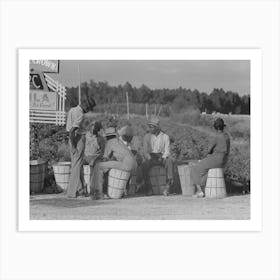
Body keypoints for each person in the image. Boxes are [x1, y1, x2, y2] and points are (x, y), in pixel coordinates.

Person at [91, 127, 137, 200]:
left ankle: (99, 193)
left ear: (107, 137)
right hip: (133, 163)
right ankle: (120, 191)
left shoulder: (109, 142)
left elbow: (105, 158)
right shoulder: (119, 141)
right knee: (107, 167)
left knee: (99, 166)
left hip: (126, 164)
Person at [190, 118, 231, 198]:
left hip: (216, 159)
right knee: (207, 171)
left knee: (195, 168)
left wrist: (204, 157)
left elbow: (208, 150)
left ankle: (200, 190)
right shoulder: (227, 136)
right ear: (223, 127)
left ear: (216, 127)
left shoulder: (216, 136)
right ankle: (204, 187)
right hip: (224, 160)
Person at [66, 94, 96, 198]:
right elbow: (72, 131)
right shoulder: (80, 114)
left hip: (72, 140)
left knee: (76, 165)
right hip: (77, 139)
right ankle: (72, 192)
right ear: (86, 106)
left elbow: (69, 130)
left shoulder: (72, 110)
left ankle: (80, 189)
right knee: (76, 166)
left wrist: (71, 144)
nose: (88, 110)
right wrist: (74, 146)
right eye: (89, 108)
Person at [142, 115, 173, 196]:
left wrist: (163, 158)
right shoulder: (147, 137)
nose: (150, 129)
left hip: (161, 156)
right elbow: (145, 151)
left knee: (169, 162)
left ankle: (167, 186)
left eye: (152, 127)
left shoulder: (165, 137)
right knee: (144, 166)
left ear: (157, 127)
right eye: (149, 127)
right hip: (151, 157)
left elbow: (167, 151)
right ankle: (149, 188)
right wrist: (149, 158)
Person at [84, 121, 106, 195]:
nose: (93, 129)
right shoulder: (86, 136)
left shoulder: (101, 139)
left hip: (96, 157)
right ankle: (90, 189)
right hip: (87, 157)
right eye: (92, 127)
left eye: (95, 128)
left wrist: (95, 159)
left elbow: (102, 153)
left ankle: (94, 190)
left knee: (95, 167)